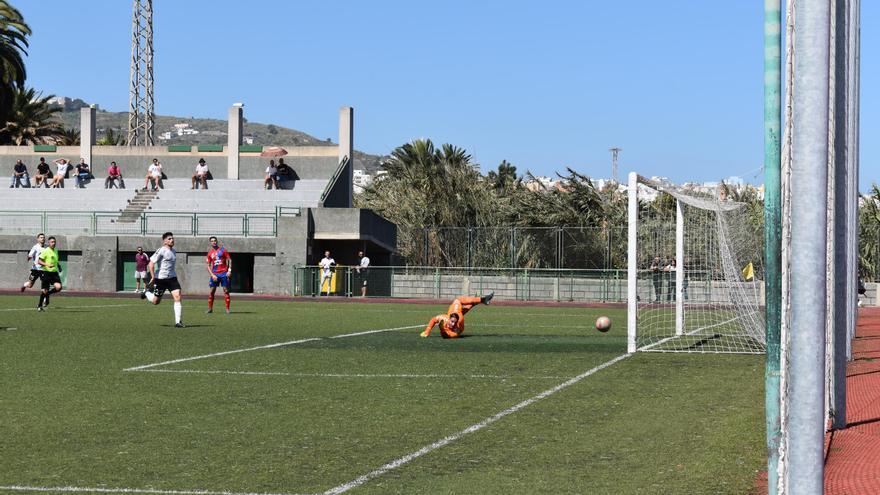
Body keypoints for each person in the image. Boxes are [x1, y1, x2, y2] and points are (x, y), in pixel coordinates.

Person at [140, 232, 185, 327]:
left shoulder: (174, 251)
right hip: (161, 279)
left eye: (172, 238)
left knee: (178, 297)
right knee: (156, 302)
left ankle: (178, 322)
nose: (172, 240)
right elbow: (151, 263)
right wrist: (152, 277)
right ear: (164, 241)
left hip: (172, 278)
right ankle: (147, 292)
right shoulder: (161, 250)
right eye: (169, 239)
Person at [421, 292, 494, 338]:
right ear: (449, 318)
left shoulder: (457, 328)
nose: (453, 324)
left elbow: (446, 336)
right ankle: (481, 300)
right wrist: (427, 331)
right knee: (458, 301)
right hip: (454, 312)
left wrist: (442, 329)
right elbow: (434, 319)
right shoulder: (447, 319)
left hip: (458, 316)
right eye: (452, 321)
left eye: (454, 322)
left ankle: (479, 300)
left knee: (459, 302)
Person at [205, 236, 232, 314]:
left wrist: (229, 271)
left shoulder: (223, 250)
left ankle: (227, 309)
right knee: (212, 291)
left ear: (217, 241)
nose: (214, 242)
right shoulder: (210, 253)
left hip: (224, 273)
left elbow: (229, 260)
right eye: (212, 241)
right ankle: (210, 309)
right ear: (210, 242)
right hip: (215, 274)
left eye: (215, 240)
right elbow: (208, 265)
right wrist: (212, 275)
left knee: (226, 291)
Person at [36, 236, 62, 311]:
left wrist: (59, 266)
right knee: (44, 290)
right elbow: (39, 261)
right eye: (52, 242)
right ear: (49, 243)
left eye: (54, 242)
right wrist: (47, 265)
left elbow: (56, 261)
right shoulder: (45, 251)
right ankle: (39, 306)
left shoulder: (56, 250)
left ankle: (48, 294)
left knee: (59, 287)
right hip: (46, 273)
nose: (53, 243)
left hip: (54, 273)